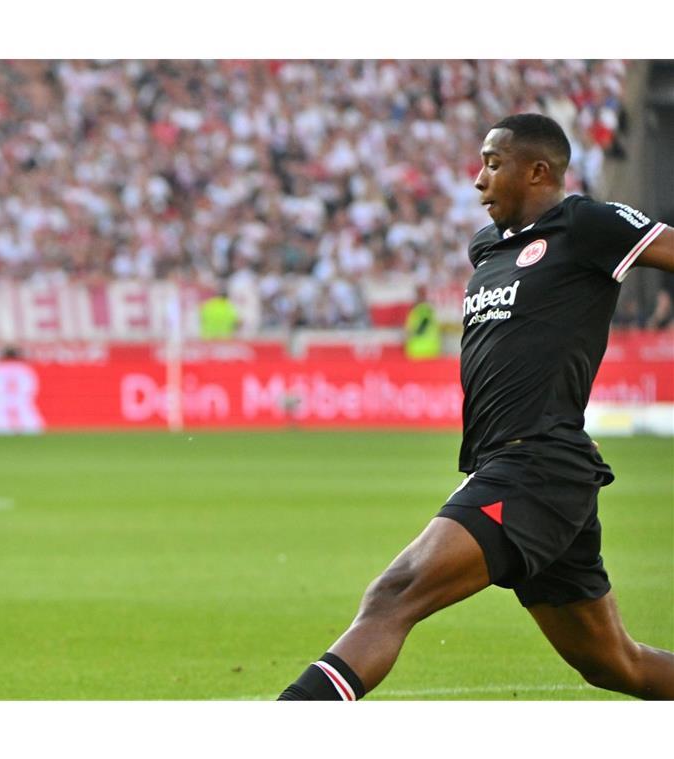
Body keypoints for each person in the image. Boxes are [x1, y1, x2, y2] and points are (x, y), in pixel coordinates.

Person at [278, 113, 674, 701]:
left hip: (537, 466)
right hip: (515, 469)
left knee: (394, 595)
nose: (477, 180)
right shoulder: (487, 248)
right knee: (615, 664)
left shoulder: (586, 223)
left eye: (493, 163)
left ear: (538, 171)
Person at [403, 284, 441, 359]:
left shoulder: (414, 312)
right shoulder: (431, 310)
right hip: (432, 350)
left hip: (415, 351)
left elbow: (408, 331)